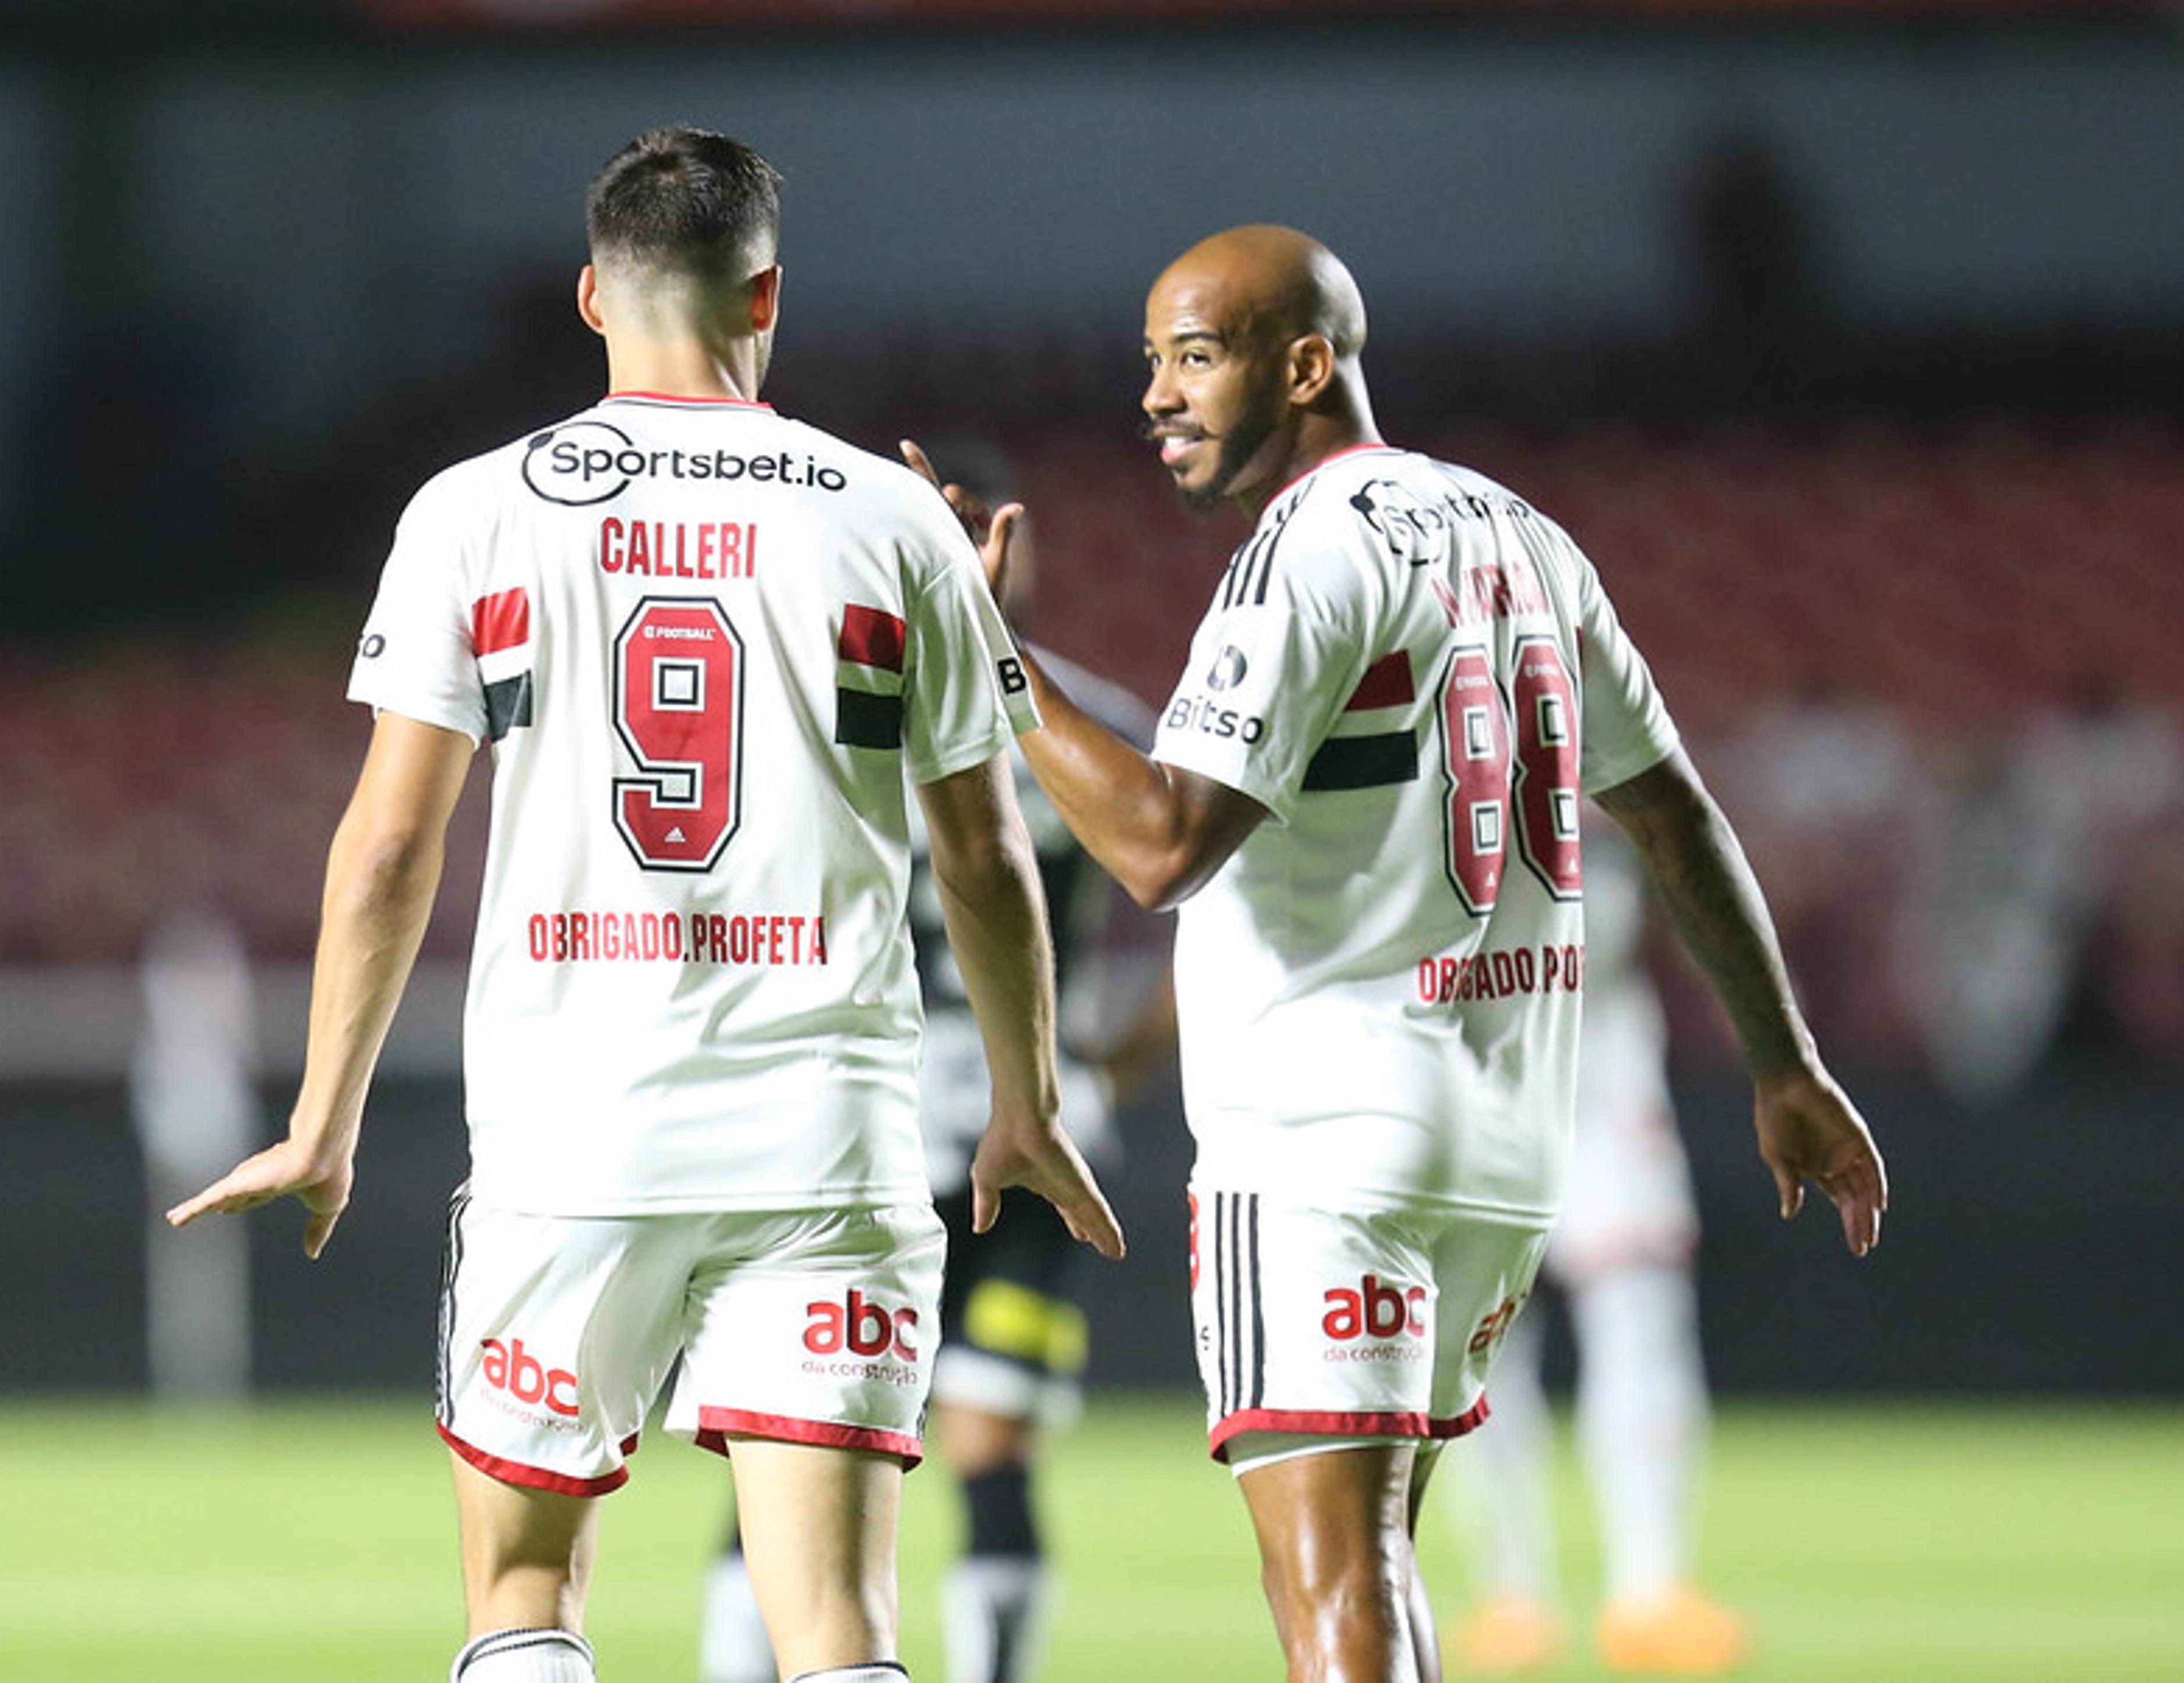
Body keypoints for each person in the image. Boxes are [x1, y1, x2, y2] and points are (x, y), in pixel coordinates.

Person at [167, 128, 1123, 1683]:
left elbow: (392, 846)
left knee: (526, 1597)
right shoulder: (891, 521)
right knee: (839, 1629)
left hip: (572, 1137)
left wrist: (322, 1114)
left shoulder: (475, 511)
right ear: (769, 298)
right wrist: (1023, 1096)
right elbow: (984, 855)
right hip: (829, 1131)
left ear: (594, 299)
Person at [922, 223, 1887, 1683]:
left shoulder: (1303, 555)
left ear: (1304, 362)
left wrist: (984, 646)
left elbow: (1160, 843)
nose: (1157, 399)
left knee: (1328, 1591)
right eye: (1151, 364)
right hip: (1497, 1149)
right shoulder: (1523, 534)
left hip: (1324, 1147)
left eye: (1194, 356)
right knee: (1379, 1563)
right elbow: (1674, 811)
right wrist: (1784, 1058)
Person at [703, 446, 1177, 1683]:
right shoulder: (1095, 730)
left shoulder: (802, 711)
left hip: (854, 1129)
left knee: (794, 1442)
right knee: (975, 1445)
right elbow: (1207, 908)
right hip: (994, 1130)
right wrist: (1103, 1068)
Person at [1447, 825, 1747, 1677]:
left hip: (1599, 1068)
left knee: (1643, 1326)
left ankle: (1651, 1592)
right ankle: (1512, 1594)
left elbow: (1671, 837)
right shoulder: (1438, 717)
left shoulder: (1589, 713)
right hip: (1474, 1069)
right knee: (1480, 1347)